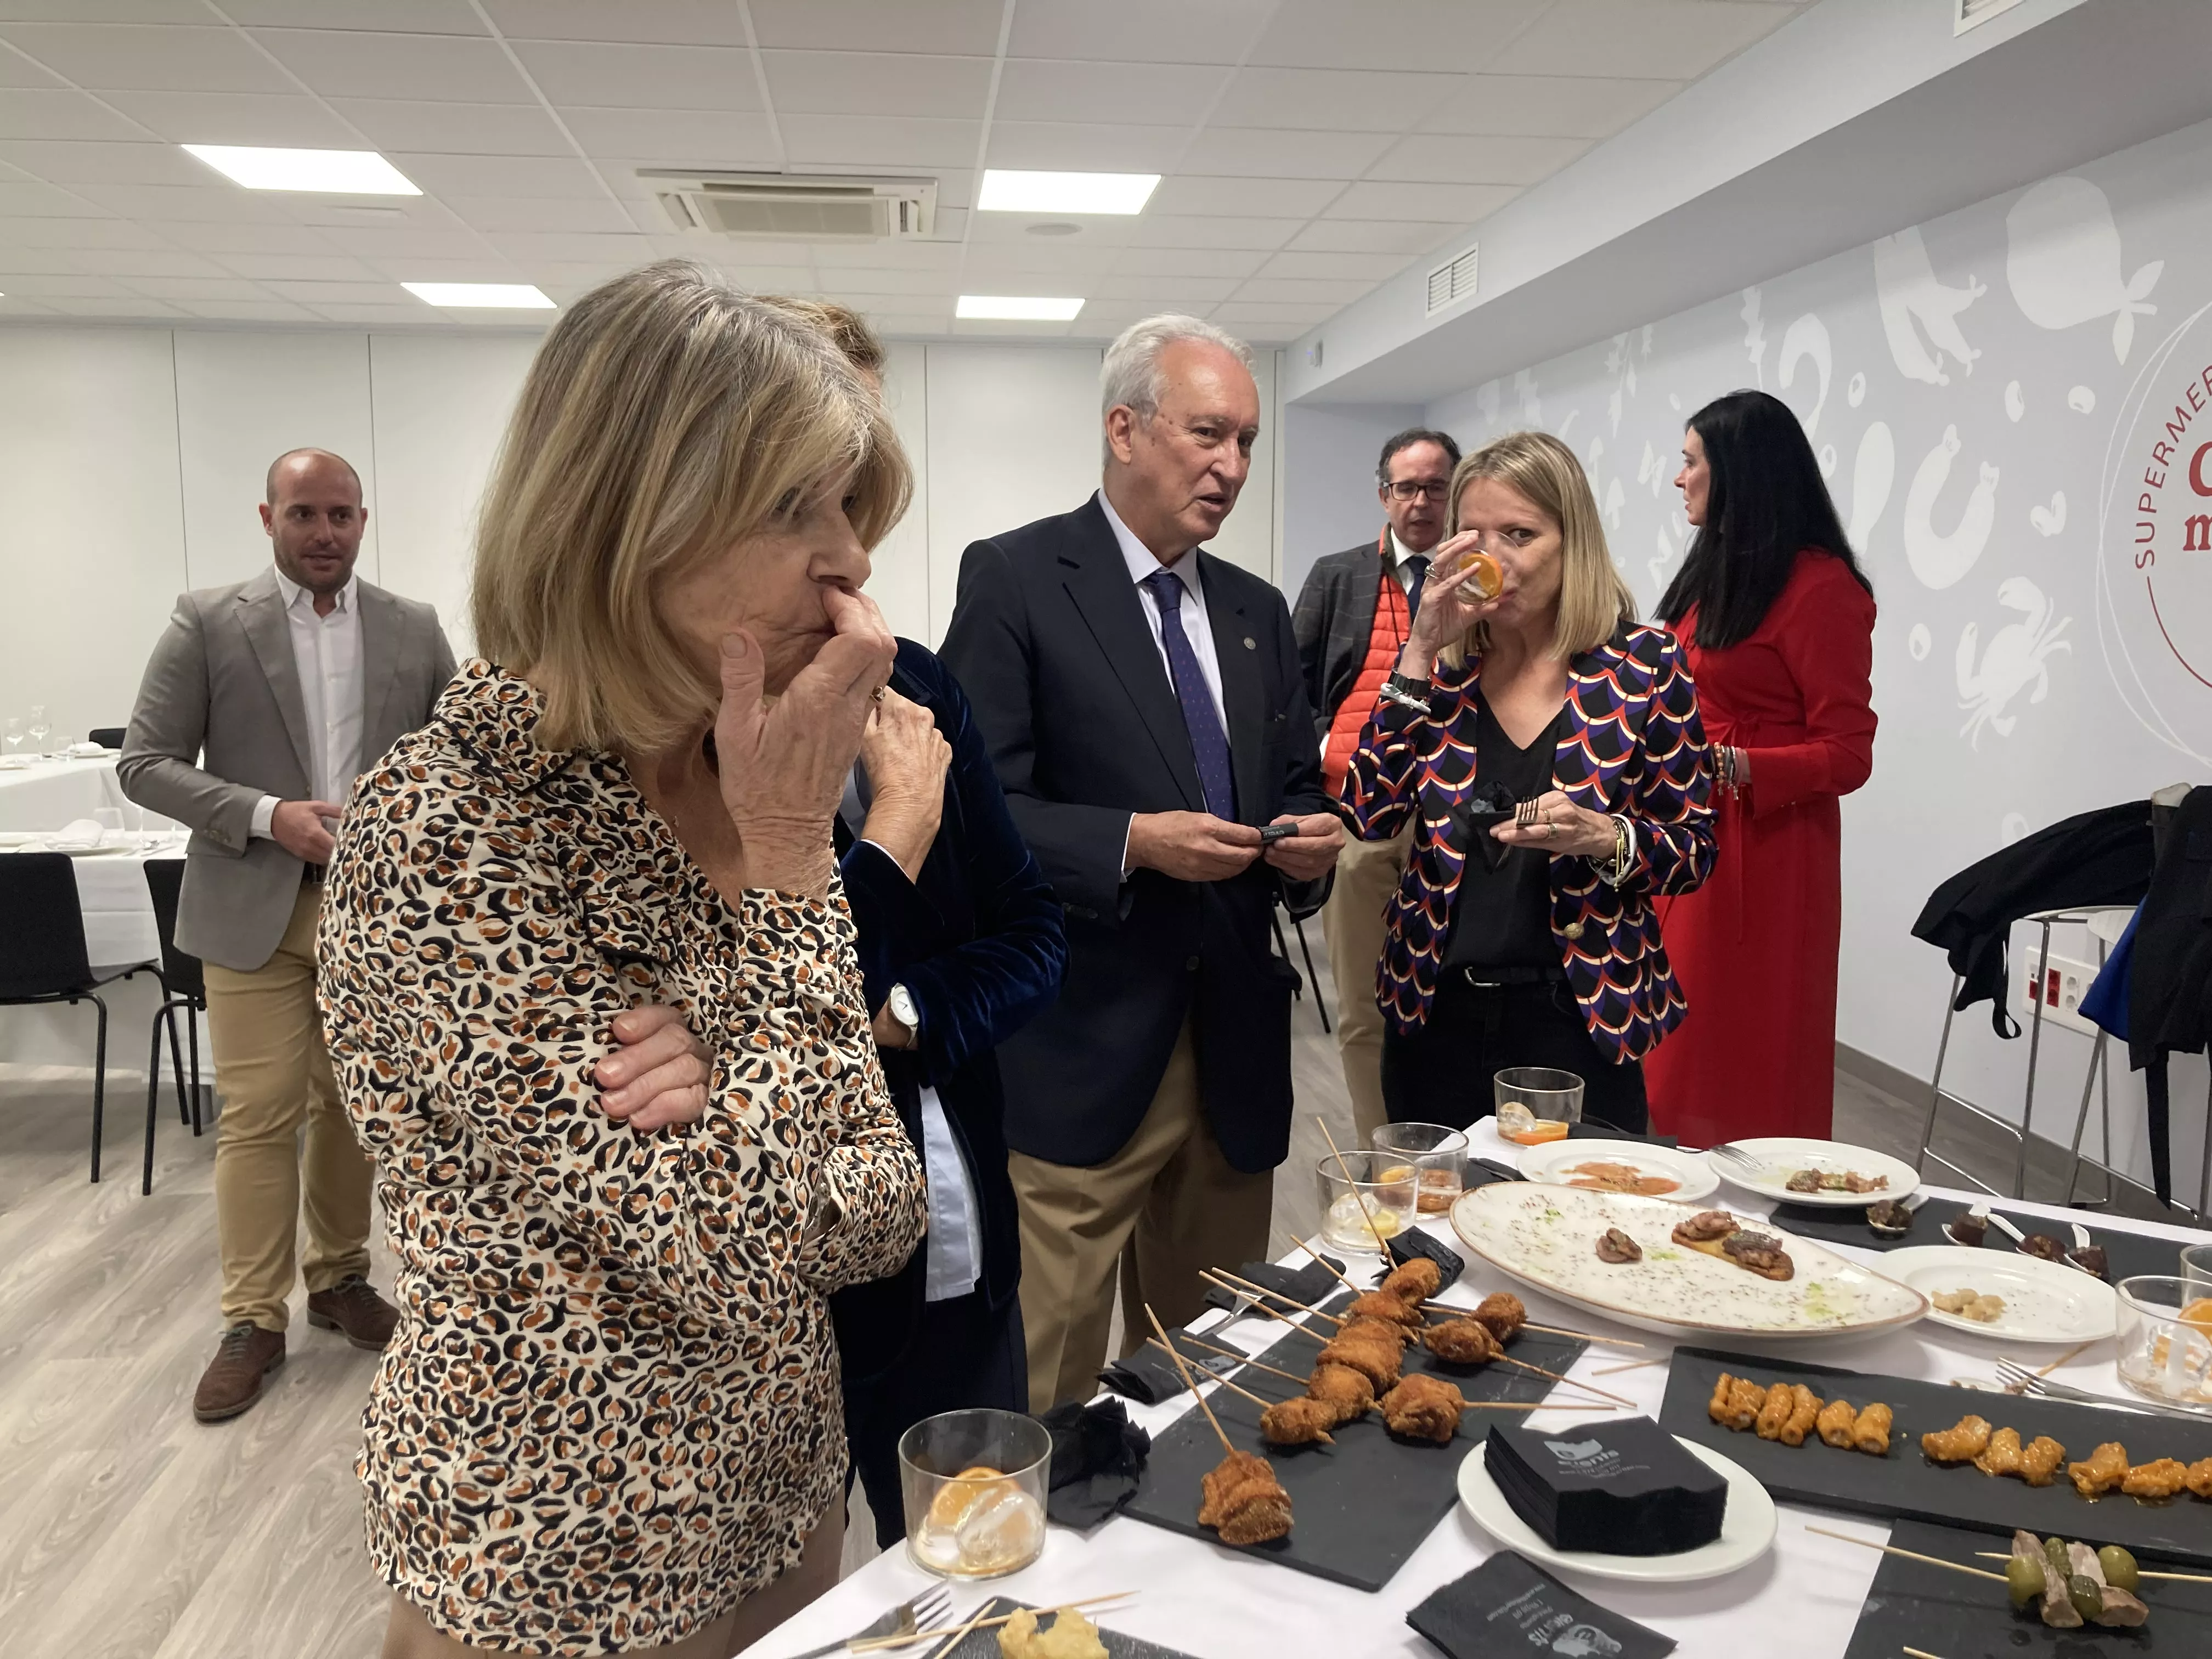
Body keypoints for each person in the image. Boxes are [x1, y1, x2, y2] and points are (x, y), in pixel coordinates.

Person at [315, 263, 928, 1657]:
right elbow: (741, 1247)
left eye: (850, 509)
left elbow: (875, 1219)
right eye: (797, 507)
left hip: (777, 1498)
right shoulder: (450, 824)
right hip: (557, 1557)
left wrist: (727, 1032)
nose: (853, 562)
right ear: (625, 519)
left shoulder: (729, 774)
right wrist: (789, 876)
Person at [940, 314, 1342, 1412]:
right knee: (1041, 1379)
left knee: (1211, 1375)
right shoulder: (1019, 580)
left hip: (1237, 1055)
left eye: (1249, 442)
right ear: (1124, 429)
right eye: (1208, 434)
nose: (1232, 467)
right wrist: (1129, 842)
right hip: (1080, 1041)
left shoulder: (1257, 613)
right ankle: (1023, 1576)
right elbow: (969, 808)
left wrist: (1310, 844)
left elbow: (1296, 786)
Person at [776, 300, 1070, 1549]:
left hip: (942, 1216)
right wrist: (894, 834)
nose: (853, 534)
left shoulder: (922, 686)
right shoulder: (654, 744)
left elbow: (1030, 930)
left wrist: (902, 1013)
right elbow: (741, 1015)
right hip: (770, 1269)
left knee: (967, 1557)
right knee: (787, 1589)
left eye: (868, 475)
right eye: (812, 487)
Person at [118, 448, 457, 1424]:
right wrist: (268, 813)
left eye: (342, 514)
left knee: (359, 1108)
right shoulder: (207, 621)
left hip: (378, 913)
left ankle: (341, 1276)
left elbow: (456, 754)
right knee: (260, 1112)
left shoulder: (412, 625)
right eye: (304, 513)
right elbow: (144, 763)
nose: (325, 532)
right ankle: (251, 1319)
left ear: (363, 519)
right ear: (267, 517)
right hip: (251, 902)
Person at [1341, 431, 1716, 1134]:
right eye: (1475, 535)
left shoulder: (1643, 666)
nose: (1494, 558)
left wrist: (1606, 837)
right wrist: (1420, 648)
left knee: (1581, 1227)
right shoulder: (1440, 673)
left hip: (1578, 1014)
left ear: (1571, 544)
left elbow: (1693, 849)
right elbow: (1367, 815)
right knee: (1435, 1229)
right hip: (1436, 1009)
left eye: (1520, 534)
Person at [1644, 389, 1877, 1146]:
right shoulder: (1717, 566)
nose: (1678, 478)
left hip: (1766, 852)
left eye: (1690, 462)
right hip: (1684, 827)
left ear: (1739, 473)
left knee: (1740, 1053)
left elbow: (1849, 751)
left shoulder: (1821, 586)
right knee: (1669, 1042)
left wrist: (1736, 765)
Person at [1293, 426, 1462, 1141]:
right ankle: (1382, 1156)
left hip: (1453, 823)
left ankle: (1451, 1156)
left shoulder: (1480, 577)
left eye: (1435, 486)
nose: (1420, 501)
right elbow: (1292, 689)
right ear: (1383, 494)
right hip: (1359, 814)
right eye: (1406, 487)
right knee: (1363, 1007)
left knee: (1447, 1002)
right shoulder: (1340, 575)